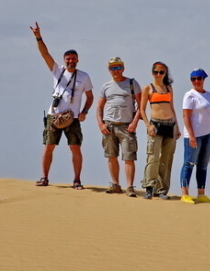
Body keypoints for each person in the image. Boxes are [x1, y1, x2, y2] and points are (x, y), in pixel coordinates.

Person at [30, 22, 94, 189]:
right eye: (68, 59)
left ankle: (77, 180)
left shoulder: (84, 76)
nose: (70, 61)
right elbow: (45, 54)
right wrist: (38, 37)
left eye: (73, 58)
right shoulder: (58, 70)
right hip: (54, 115)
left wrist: (85, 111)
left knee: (75, 147)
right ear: (64, 60)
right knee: (49, 146)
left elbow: (90, 96)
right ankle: (44, 178)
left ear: (78, 60)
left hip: (72, 117)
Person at [97, 57, 142, 197]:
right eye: (112, 68)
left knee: (129, 156)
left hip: (126, 126)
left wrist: (135, 122)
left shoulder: (132, 83)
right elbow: (99, 107)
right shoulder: (106, 86)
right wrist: (101, 124)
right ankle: (115, 184)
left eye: (118, 67)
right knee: (111, 156)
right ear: (109, 69)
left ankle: (129, 187)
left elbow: (141, 106)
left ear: (123, 68)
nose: (115, 70)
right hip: (109, 125)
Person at [139, 61, 181, 200]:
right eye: (156, 72)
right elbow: (142, 109)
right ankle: (149, 187)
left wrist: (177, 127)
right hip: (155, 125)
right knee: (153, 157)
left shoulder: (169, 88)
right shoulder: (148, 88)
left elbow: (172, 107)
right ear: (152, 73)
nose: (158, 74)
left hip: (170, 125)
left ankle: (162, 189)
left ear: (165, 73)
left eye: (161, 72)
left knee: (167, 159)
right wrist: (148, 125)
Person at [180, 68, 210, 204]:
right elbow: (186, 116)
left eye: (199, 78)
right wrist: (191, 135)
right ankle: (185, 194)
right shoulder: (190, 95)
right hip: (194, 135)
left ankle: (201, 193)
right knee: (189, 163)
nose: (196, 81)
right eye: (193, 79)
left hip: (208, 134)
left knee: (203, 165)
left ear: (203, 79)